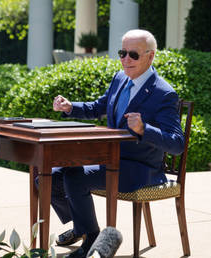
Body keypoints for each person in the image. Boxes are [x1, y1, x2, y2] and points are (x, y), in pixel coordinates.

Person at [49, 29, 185, 258]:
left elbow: (177, 143)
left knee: (74, 177)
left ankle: (91, 239)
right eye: (122, 53)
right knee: (49, 175)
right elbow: (98, 107)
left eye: (133, 54)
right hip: (108, 159)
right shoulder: (120, 78)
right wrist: (71, 107)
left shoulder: (164, 94)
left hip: (140, 170)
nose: (125, 59)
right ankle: (82, 227)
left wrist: (145, 130)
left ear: (150, 56)